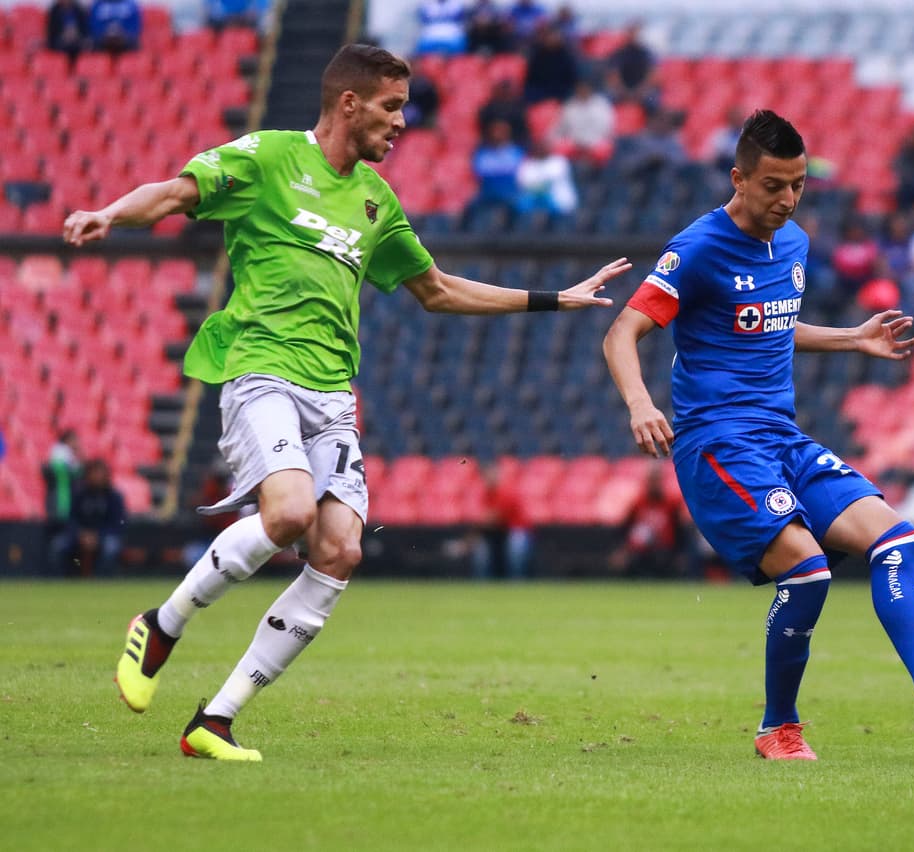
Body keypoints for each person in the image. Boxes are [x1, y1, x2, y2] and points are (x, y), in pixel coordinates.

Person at [63, 43, 630, 761]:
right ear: (349, 103)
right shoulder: (267, 159)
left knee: (338, 551)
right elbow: (176, 192)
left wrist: (553, 299)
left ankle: (217, 720)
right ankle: (162, 624)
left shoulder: (375, 201)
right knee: (291, 514)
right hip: (261, 369)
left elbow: (438, 290)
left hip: (332, 394)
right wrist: (110, 213)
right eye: (392, 108)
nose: (401, 124)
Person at [603, 110, 914, 761]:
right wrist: (639, 403)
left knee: (898, 540)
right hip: (718, 445)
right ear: (739, 178)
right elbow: (622, 331)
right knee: (808, 571)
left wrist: (852, 336)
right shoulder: (699, 248)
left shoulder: (792, 241)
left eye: (797, 184)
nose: (787, 199)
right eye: (773, 185)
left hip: (782, 438)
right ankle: (779, 728)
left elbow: (767, 326)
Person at [609, 463, 686, 577]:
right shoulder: (638, 503)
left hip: (664, 552)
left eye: (656, 480)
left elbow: (680, 531)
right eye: (651, 480)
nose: (653, 484)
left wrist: (681, 554)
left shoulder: (671, 503)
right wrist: (621, 551)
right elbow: (624, 529)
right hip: (640, 553)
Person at [57, 458, 126, 577]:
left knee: (110, 547)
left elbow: (118, 523)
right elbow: (71, 519)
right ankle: (62, 579)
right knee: (58, 546)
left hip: (104, 535)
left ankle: (102, 580)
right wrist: (80, 534)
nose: (97, 477)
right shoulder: (79, 493)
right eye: (94, 473)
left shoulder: (114, 497)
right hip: (80, 535)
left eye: (100, 473)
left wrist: (98, 536)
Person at [42, 429, 81, 572]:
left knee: (58, 541)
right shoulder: (62, 458)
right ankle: (54, 572)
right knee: (59, 541)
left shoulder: (61, 458)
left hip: (59, 506)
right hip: (60, 506)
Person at [553, 79, 615, 167]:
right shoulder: (569, 105)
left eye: (585, 88)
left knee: (603, 150)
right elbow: (560, 128)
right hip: (574, 143)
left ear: (590, 89)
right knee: (559, 149)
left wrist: (590, 143)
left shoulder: (602, 105)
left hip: (596, 142)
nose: (582, 91)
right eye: (580, 89)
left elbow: (607, 128)